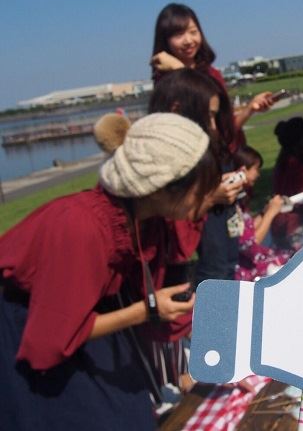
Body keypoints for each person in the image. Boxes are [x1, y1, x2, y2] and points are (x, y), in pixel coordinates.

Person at [0, 114, 219, 430]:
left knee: (132, 410)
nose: (210, 196)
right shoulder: (80, 226)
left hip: (87, 319)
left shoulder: (147, 220)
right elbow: (52, 334)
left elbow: (157, 302)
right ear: (161, 187)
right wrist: (146, 311)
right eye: (203, 188)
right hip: (33, 328)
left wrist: (220, 356)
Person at [150, 3, 273, 152]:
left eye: (193, 32)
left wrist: (250, 108)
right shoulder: (165, 82)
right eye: (178, 35)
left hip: (227, 158)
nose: (188, 40)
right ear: (165, 39)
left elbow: (225, 130)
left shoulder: (212, 74)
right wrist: (179, 69)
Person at [232, 146, 291, 281]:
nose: (258, 174)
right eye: (256, 169)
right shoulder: (230, 205)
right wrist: (271, 213)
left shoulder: (238, 200)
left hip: (248, 261)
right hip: (245, 270)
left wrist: (264, 212)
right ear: (243, 170)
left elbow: (247, 231)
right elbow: (251, 244)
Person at [271, 117, 303, 240]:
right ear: (302, 141)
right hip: (296, 228)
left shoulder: (286, 161)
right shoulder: (296, 167)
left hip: (287, 224)